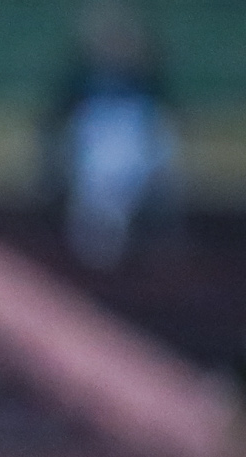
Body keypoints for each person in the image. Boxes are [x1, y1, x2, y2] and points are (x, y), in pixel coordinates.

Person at [43, 0, 182, 272]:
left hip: (125, 151)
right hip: (105, 157)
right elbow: (58, 121)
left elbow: (164, 121)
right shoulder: (84, 79)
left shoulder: (140, 80)